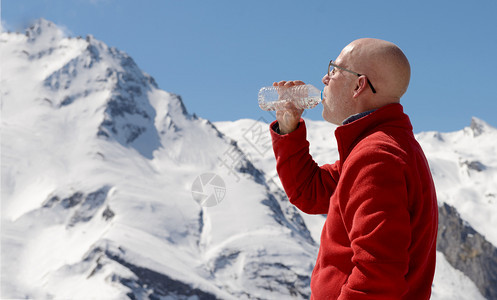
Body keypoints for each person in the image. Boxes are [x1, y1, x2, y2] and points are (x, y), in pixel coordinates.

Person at [269, 38, 438, 299]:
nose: (324, 80)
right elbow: (310, 192)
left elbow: (378, 276)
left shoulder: (377, 156)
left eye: (334, 70)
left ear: (359, 85)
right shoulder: (379, 147)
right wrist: (289, 128)